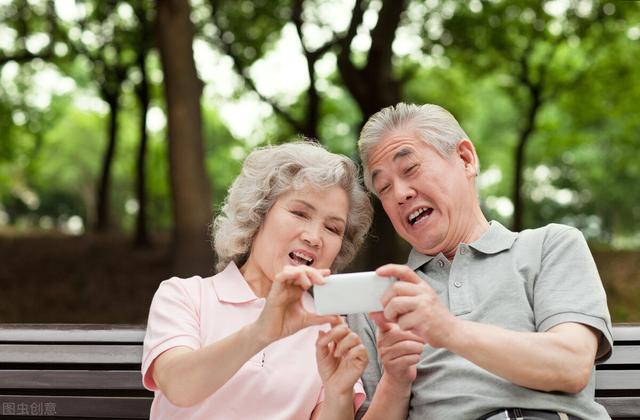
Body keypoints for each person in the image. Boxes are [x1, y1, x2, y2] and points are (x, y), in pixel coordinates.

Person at [348, 103, 613, 420]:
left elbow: (571, 365)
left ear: (465, 159)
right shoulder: (378, 299)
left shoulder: (549, 246)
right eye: (385, 187)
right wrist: (395, 380)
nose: (400, 194)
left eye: (410, 169)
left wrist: (446, 329)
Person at [142, 141, 374, 419]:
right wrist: (261, 331)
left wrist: (338, 392)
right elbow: (178, 386)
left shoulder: (326, 325)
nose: (314, 236)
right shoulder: (184, 296)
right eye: (300, 213)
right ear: (257, 214)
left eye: (332, 228)